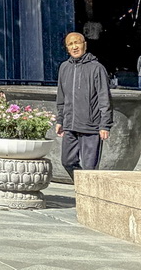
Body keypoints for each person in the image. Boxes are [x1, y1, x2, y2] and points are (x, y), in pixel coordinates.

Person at [55, 31, 113, 178]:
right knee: (67, 162)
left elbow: (104, 98)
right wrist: (60, 120)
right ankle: (84, 186)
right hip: (70, 126)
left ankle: (88, 188)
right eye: (70, 44)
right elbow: (61, 97)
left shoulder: (96, 68)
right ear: (67, 48)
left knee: (89, 169)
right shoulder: (64, 67)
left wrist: (105, 125)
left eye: (77, 43)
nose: (74, 47)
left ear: (84, 45)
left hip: (91, 127)